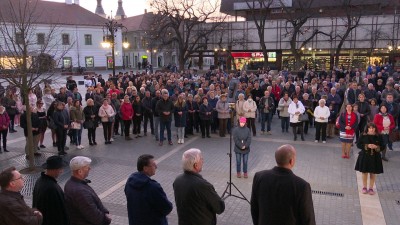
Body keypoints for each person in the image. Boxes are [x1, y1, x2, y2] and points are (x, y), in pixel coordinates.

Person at [250, 144, 316, 225]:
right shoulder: (302, 186)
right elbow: (308, 220)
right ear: (291, 161)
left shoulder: (259, 177)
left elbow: (254, 208)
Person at [173, 148, 225, 225]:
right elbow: (220, 208)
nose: (203, 161)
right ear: (196, 165)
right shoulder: (202, 185)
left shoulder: (178, 180)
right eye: (201, 159)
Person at [124, 154, 173, 225]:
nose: (156, 167)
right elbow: (167, 208)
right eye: (153, 165)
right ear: (145, 168)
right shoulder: (153, 187)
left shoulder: (129, 182)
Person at [64, 156, 111, 225]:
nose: (90, 168)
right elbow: (94, 216)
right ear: (80, 171)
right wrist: (106, 219)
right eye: (87, 167)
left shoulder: (71, 183)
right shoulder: (80, 192)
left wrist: (105, 211)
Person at [32, 156, 69, 225]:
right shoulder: (51, 188)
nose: (62, 171)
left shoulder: (40, 181)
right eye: (60, 169)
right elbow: (59, 213)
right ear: (53, 169)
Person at [355, 123, 384, 195]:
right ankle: (364, 187)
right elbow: (358, 144)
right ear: (367, 128)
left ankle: (371, 188)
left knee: (373, 173)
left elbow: (383, 146)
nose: (371, 129)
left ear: (375, 129)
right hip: (365, 156)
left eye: (373, 128)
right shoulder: (363, 135)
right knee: (364, 172)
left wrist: (376, 147)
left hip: (375, 157)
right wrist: (367, 145)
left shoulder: (379, 136)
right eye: (370, 128)